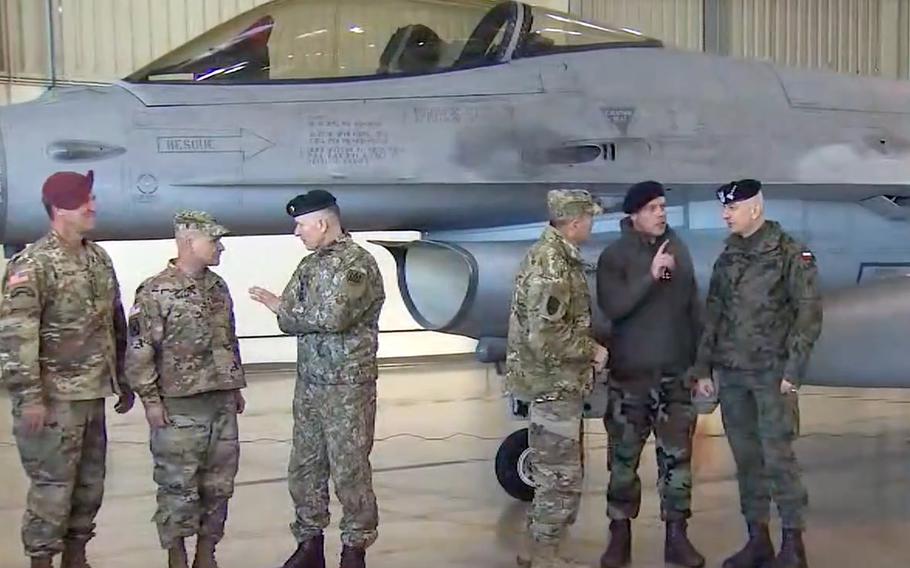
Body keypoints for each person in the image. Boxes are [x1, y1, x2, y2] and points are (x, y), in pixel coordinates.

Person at [0, 170, 135, 568]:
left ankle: (77, 558)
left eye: (91, 197)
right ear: (59, 209)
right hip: (54, 401)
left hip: (92, 394)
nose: (92, 205)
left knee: (89, 489)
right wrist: (29, 399)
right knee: (53, 491)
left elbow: (115, 321)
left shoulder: (97, 258)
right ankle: (42, 561)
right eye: (83, 200)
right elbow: (16, 337)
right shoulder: (33, 264)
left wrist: (122, 379)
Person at [248, 190, 385, 568]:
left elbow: (331, 317)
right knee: (305, 465)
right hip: (310, 382)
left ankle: (354, 548)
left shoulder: (357, 265)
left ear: (322, 223)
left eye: (301, 225)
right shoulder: (309, 266)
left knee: (349, 467)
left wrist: (285, 308)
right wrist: (287, 310)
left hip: (347, 386)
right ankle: (309, 544)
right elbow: (290, 317)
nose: (297, 233)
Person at [693, 179, 822, 568]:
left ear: (755, 209)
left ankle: (793, 547)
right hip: (733, 377)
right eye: (724, 208)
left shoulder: (790, 253)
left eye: (732, 208)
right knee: (748, 461)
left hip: (771, 376)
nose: (725, 214)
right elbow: (712, 315)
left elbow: (808, 315)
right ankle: (757, 540)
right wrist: (703, 367)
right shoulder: (728, 256)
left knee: (778, 459)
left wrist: (793, 372)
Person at [125, 211, 246, 568]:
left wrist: (234, 385)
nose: (221, 247)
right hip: (179, 407)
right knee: (177, 486)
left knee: (220, 485)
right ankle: (176, 556)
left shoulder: (218, 287)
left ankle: (206, 556)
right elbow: (139, 348)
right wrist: (149, 400)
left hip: (221, 402)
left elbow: (229, 339)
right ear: (190, 243)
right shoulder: (155, 290)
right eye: (214, 240)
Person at [595, 181, 704, 568]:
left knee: (677, 463)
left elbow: (693, 308)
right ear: (634, 215)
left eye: (663, 206)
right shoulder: (614, 256)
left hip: (674, 378)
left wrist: (701, 366)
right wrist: (650, 275)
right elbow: (614, 307)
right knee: (623, 463)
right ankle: (619, 537)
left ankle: (677, 538)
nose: (662, 213)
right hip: (630, 382)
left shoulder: (679, 250)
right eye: (653, 207)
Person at [506, 189, 609, 568]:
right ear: (576, 221)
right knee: (559, 479)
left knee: (557, 474)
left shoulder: (557, 258)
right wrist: (591, 350)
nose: (592, 224)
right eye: (590, 218)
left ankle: (537, 549)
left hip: (558, 384)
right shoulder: (551, 265)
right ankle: (545, 554)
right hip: (552, 386)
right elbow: (544, 333)